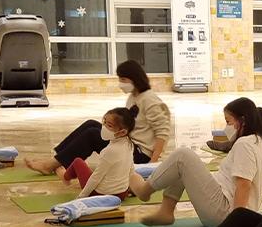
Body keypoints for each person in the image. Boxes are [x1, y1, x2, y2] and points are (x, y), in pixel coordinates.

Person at [132, 98, 262, 227]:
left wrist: (235, 224)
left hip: (224, 213)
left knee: (183, 155)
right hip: (229, 209)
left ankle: (144, 190)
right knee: (188, 167)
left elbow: (244, 185)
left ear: (242, 121)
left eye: (228, 122)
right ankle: (166, 210)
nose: (226, 127)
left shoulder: (245, 144)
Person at [24, 60, 170, 176]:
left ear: (135, 79)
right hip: (128, 143)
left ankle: (50, 165)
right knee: (91, 124)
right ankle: (59, 158)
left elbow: (162, 133)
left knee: (92, 135)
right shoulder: (134, 97)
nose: (121, 83)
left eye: (123, 79)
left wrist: (151, 164)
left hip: (139, 154)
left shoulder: (150, 100)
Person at [64, 108, 135, 200]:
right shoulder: (130, 144)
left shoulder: (110, 151)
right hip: (122, 194)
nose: (104, 127)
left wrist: (81, 197)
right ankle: (68, 175)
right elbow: (131, 169)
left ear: (122, 132)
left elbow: (96, 177)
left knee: (78, 161)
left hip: (101, 194)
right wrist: (128, 187)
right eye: (104, 122)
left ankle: (65, 176)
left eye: (109, 125)